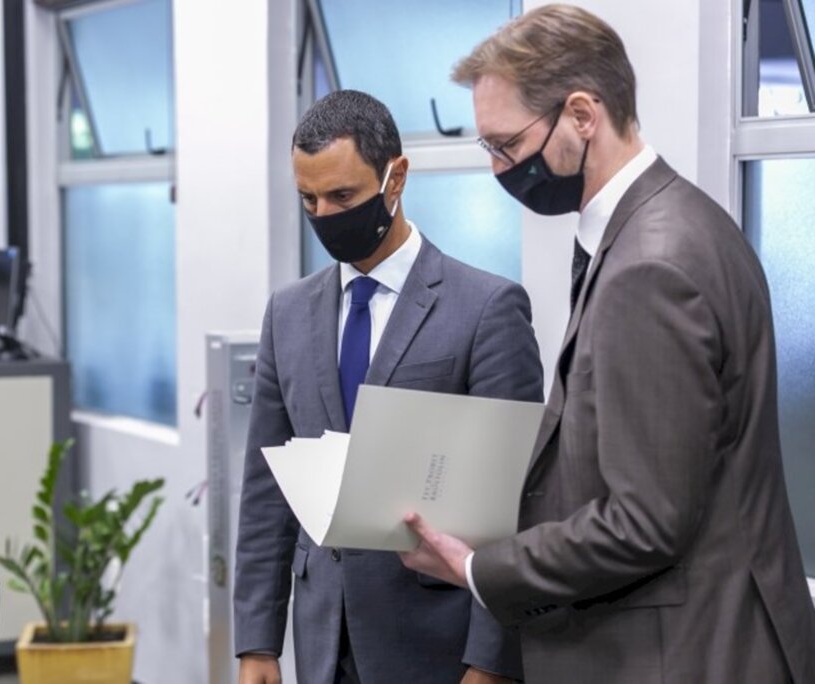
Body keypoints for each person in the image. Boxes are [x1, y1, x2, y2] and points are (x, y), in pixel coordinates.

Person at [400, 5, 815, 683]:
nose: (501, 170)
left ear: (583, 116)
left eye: (507, 145)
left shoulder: (649, 265)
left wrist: (478, 566)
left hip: (682, 652)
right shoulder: (683, 218)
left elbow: (646, 522)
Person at [235, 89, 543, 684]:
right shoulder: (288, 314)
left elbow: (517, 505)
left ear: (395, 178)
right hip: (323, 641)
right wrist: (257, 642)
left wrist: (492, 661)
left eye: (343, 196)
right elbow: (266, 493)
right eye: (309, 199)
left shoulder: (485, 310)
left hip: (438, 644)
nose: (325, 215)